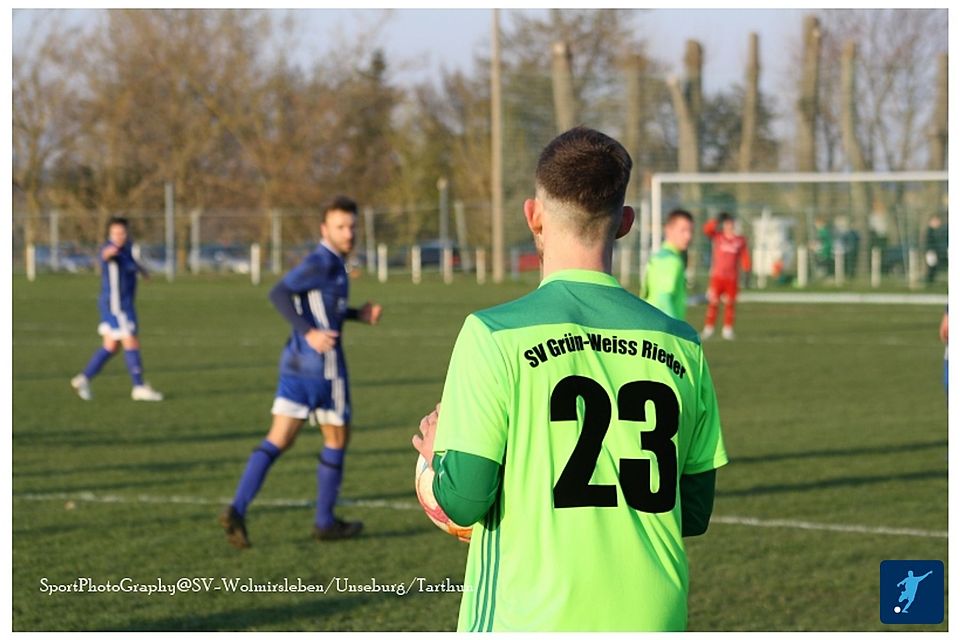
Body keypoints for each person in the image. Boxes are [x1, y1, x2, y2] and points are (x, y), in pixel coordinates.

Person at [411, 127, 727, 631]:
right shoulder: (683, 344)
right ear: (625, 223)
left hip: (532, 618)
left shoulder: (492, 334)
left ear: (533, 216)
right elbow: (691, 511)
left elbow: (465, 501)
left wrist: (437, 461)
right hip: (653, 618)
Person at [220, 196, 383, 548]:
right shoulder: (322, 262)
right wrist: (310, 332)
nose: (349, 233)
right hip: (323, 369)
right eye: (341, 226)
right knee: (337, 438)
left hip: (294, 365)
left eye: (352, 226)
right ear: (325, 229)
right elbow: (279, 293)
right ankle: (325, 522)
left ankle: (237, 509)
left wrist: (356, 315)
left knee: (279, 439)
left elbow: (323, 308)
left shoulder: (335, 264)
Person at [70, 217, 163, 402]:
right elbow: (105, 256)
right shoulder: (110, 249)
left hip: (117, 304)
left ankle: (83, 379)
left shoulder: (127, 248)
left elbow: (131, 262)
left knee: (111, 346)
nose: (120, 236)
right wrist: (108, 253)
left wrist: (142, 270)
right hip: (117, 306)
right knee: (131, 342)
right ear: (109, 234)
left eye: (123, 232)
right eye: (116, 233)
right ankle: (138, 387)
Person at [701, 212, 750, 340]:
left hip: (732, 278)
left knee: (730, 304)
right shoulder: (718, 237)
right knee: (713, 303)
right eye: (726, 223)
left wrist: (747, 271)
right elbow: (706, 230)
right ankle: (709, 328)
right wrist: (716, 220)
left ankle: (727, 329)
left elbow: (745, 257)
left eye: (731, 223)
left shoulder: (740, 240)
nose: (729, 226)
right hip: (717, 277)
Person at [641, 209, 693, 321]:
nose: (688, 236)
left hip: (648, 321)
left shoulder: (658, 257)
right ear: (668, 230)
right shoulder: (671, 261)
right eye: (683, 230)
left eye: (690, 231)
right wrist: (676, 329)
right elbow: (663, 299)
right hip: (662, 327)